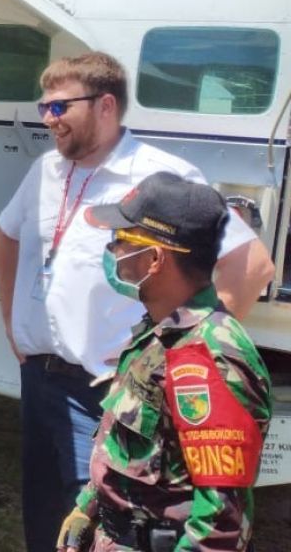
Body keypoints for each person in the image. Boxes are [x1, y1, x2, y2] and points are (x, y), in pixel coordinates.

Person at [0, 52, 274, 552]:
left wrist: (182, 353)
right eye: (44, 108)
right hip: (39, 378)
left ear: (105, 105)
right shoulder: (45, 170)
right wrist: (13, 325)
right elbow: (7, 233)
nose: (48, 120)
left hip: (108, 391)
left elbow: (251, 265)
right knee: (50, 524)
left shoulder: (160, 176)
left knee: (113, 523)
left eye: (60, 108)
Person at [58, 172, 272, 552]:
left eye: (122, 240)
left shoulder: (208, 358)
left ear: (155, 259)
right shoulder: (157, 334)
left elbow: (220, 524)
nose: (113, 251)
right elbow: (123, 446)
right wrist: (87, 509)